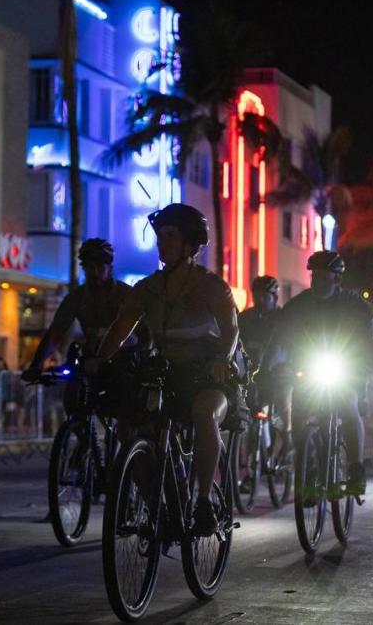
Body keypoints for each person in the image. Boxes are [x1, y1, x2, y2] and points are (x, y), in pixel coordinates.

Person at [96, 204, 239, 536]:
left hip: (210, 375)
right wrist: (98, 361)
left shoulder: (212, 286)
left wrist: (223, 357)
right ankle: (158, 506)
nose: (162, 242)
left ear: (190, 244)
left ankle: (203, 503)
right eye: (160, 236)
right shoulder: (147, 289)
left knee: (205, 413)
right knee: (130, 430)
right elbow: (120, 329)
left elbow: (231, 329)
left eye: (170, 236)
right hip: (167, 375)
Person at [269, 250, 373, 497]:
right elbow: (279, 340)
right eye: (314, 277)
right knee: (299, 419)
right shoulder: (298, 305)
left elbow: (368, 341)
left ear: (337, 280)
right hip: (308, 371)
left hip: (346, 370)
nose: (317, 283)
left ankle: (355, 469)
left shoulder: (355, 306)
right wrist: (269, 366)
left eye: (324, 278)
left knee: (350, 410)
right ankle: (307, 471)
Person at [22, 239, 135, 381]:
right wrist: (36, 365)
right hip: (91, 361)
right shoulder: (76, 298)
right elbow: (56, 332)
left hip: (124, 362)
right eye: (89, 267)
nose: (94, 272)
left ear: (110, 268)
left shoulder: (127, 295)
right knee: (74, 391)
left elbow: (146, 333)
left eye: (100, 267)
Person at [240, 275, 293, 452]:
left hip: (279, 372)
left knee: (283, 403)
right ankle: (250, 464)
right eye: (256, 296)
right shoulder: (245, 318)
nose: (260, 300)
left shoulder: (284, 319)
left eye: (265, 296)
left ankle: (287, 439)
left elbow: (290, 346)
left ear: (275, 297)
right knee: (249, 409)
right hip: (252, 373)